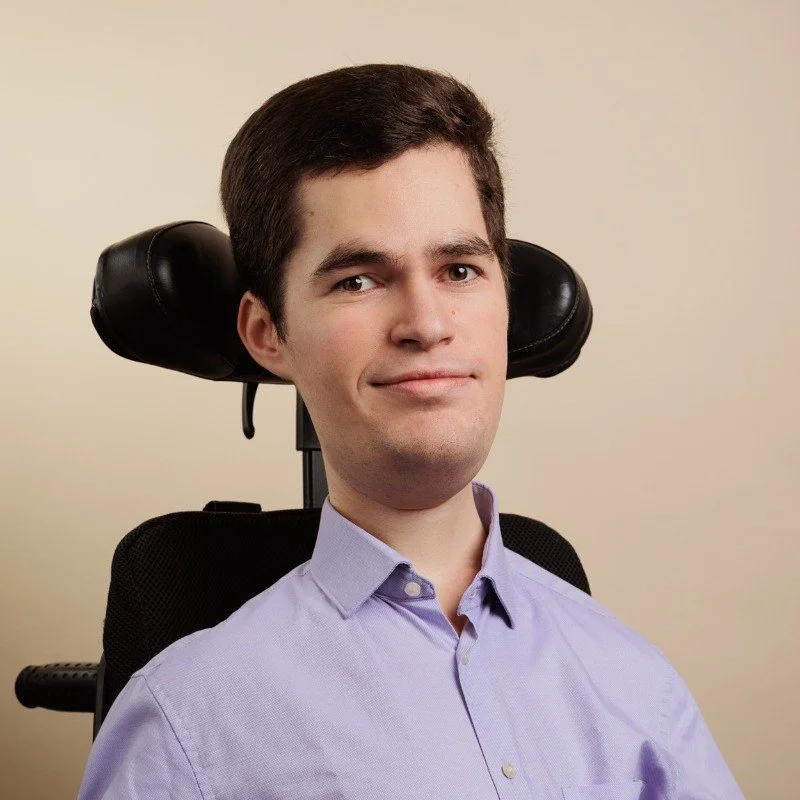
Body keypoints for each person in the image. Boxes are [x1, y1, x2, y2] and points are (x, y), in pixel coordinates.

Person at [77, 63, 745, 800]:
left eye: (460, 270)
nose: (426, 324)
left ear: (504, 301)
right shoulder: (187, 725)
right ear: (268, 332)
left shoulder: (634, 681)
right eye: (358, 279)